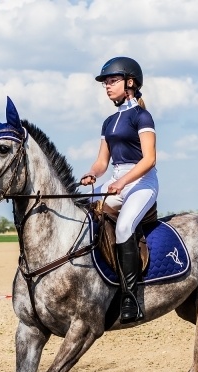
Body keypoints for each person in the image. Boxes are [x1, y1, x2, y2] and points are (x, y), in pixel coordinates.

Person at [80, 56, 158, 324]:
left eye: (112, 81)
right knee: (82, 210)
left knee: (124, 227)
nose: (107, 86)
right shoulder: (108, 122)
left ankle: (131, 297)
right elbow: (102, 161)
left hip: (141, 182)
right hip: (114, 180)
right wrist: (92, 174)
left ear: (131, 83)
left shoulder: (141, 116)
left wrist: (122, 183)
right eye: (105, 82)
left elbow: (149, 159)